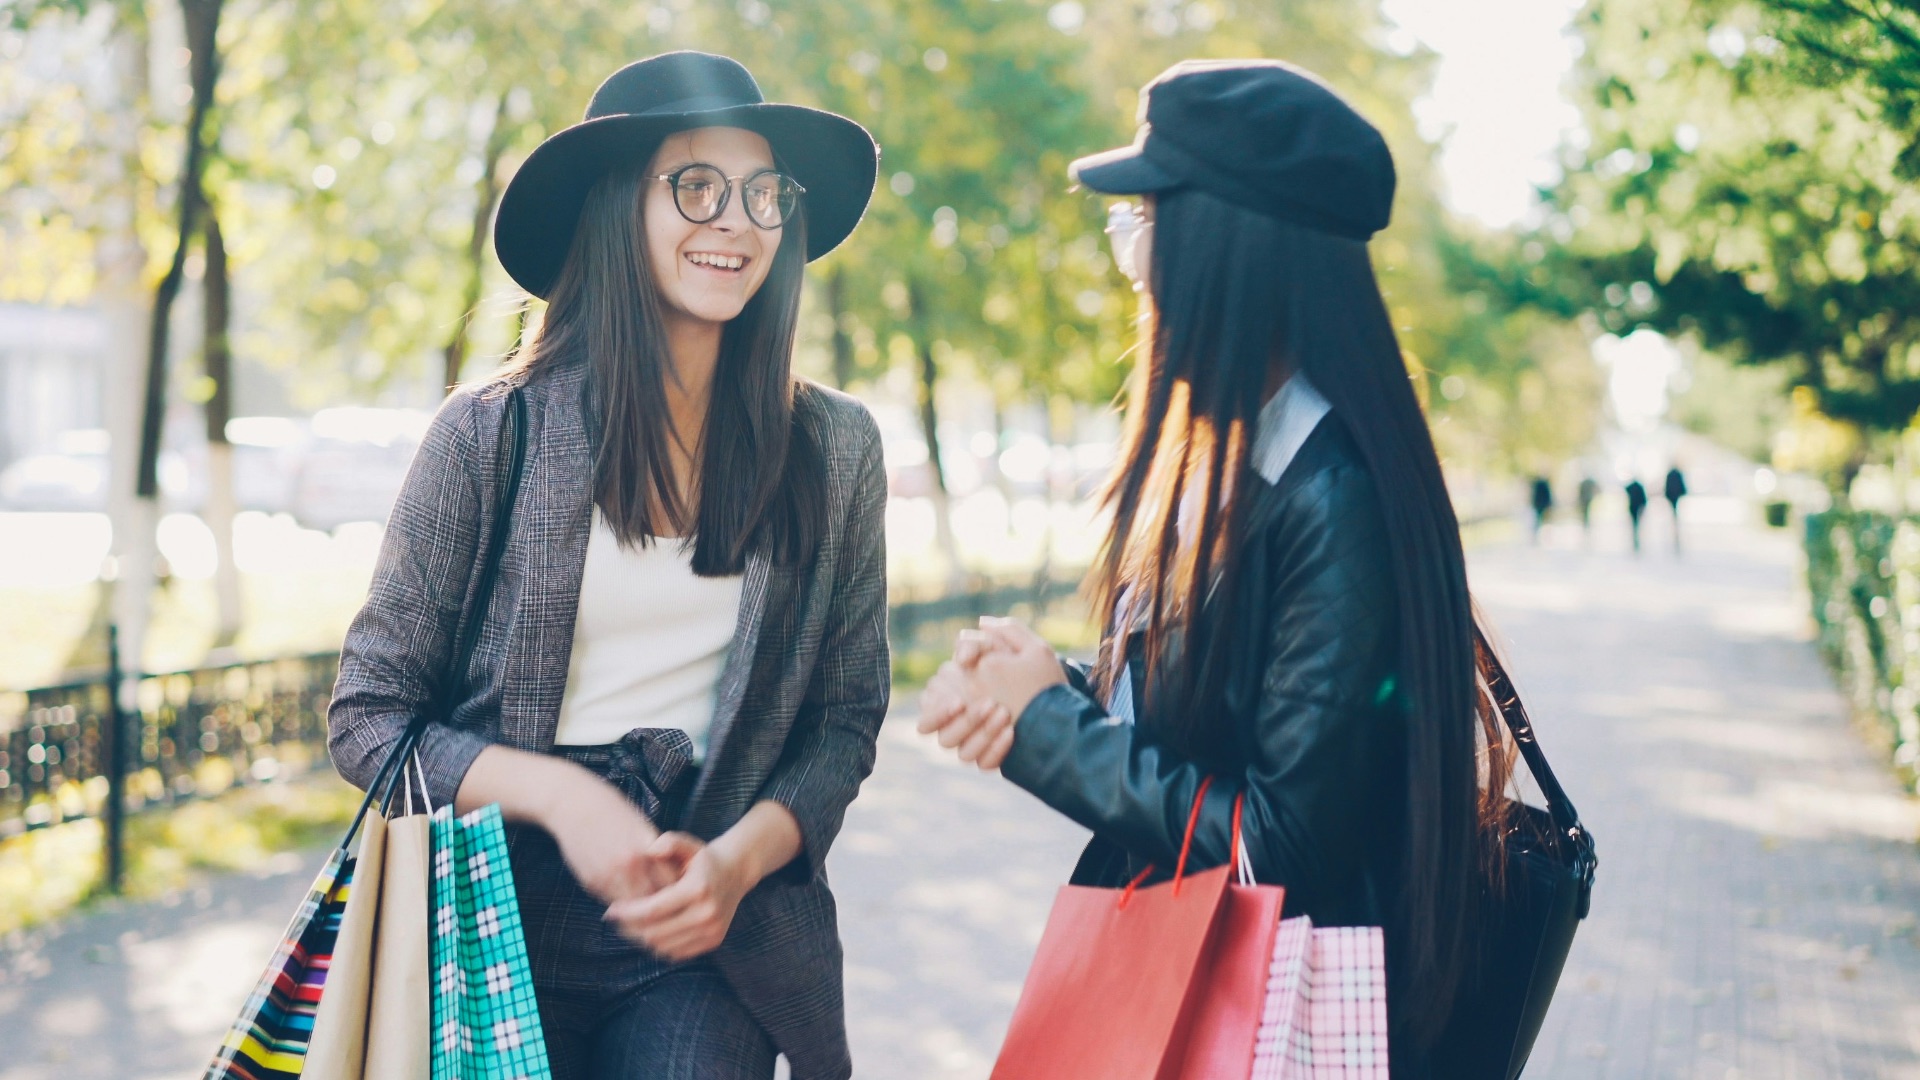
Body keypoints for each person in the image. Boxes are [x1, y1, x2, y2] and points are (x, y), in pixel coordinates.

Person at [916, 60, 1527, 1075]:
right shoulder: (1249, 458)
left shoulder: (1336, 494)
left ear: (1234, 245)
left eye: (1148, 219)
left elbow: (1281, 843)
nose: (1130, 250)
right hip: (1204, 973)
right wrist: (1044, 690)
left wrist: (1050, 729)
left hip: (1281, 1009)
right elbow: (1218, 726)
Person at [327, 52, 884, 1080]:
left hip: (713, 931)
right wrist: (562, 797)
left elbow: (845, 721)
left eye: (766, 194)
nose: (739, 222)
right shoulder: (492, 433)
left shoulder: (834, 448)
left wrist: (737, 862)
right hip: (493, 921)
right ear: (618, 208)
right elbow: (368, 714)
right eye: (697, 187)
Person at [1664, 465, 1688, 553]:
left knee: (1674, 515)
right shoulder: (1677, 474)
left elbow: (1667, 488)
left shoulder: (1670, 474)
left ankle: (1676, 535)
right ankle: (1676, 535)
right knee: (1675, 515)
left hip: (1672, 497)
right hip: (1675, 497)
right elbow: (1682, 487)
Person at [1625, 477, 1649, 553]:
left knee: (1634, 524)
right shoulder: (1639, 487)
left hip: (1633, 507)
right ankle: (1636, 540)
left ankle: (1635, 540)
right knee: (1636, 524)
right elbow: (1644, 499)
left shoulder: (1631, 487)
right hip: (1637, 507)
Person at [1529, 474, 1554, 544]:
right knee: (1544, 521)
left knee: (1540, 521)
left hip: (1539, 505)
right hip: (1542, 505)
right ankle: (1544, 537)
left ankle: (1541, 536)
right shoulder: (1544, 484)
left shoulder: (1537, 484)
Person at [1577, 473, 1599, 539]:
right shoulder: (1587, 482)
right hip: (1586, 499)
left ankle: (1586, 524)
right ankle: (1586, 524)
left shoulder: (1585, 482)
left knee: (1586, 512)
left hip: (1586, 499)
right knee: (1585, 512)